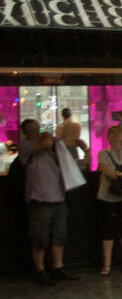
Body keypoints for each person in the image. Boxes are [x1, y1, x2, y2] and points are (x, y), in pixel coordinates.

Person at [16, 119, 77, 285]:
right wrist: (50, 138)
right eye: (32, 130)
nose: (36, 132)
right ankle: (40, 270)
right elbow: (46, 142)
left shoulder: (51, 147)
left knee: (59, 235)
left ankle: (58, 267)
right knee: (39, 238)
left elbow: (67, 142)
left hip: (59, 197)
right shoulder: (25, 146)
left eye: (37, 129)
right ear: (25, 132)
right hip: (39, 199)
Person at [96, 124, 122, 274]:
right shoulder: (103, 153)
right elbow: (108, 172)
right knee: (107, 229)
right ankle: (106, 263)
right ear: (107, 137)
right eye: (112, 133)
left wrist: (120, 174)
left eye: (118, 133)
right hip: (106, 197)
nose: (115, 135)